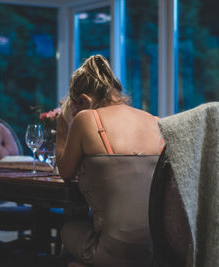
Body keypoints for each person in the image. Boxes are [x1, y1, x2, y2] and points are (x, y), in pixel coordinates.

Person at [56, 54, 164, 267]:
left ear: (85, 100)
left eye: (75, 107)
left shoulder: (86, 118)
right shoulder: (156, 122)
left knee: (67, 229)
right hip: (156, 250)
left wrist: (61, 130)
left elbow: (65, 173)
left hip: (114, 251)